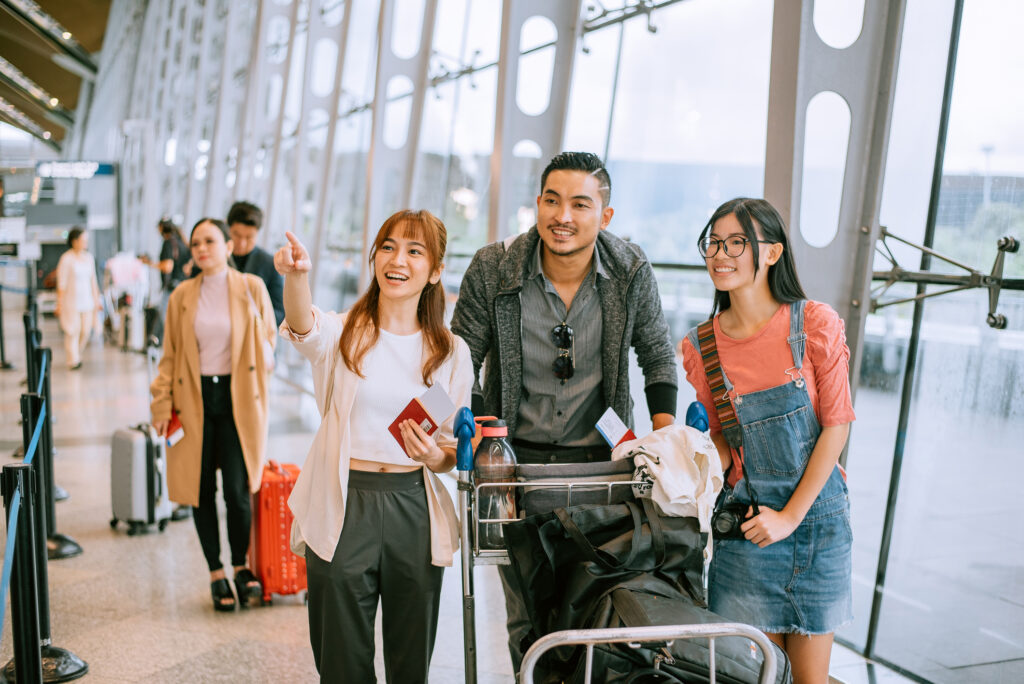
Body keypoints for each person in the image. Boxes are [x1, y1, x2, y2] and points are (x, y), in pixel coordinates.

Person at [450, 151, 678, 670]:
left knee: (593, 608)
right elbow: (462, 356)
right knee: (527, 613)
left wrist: (665, 441)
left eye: (580, 203)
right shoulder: (495, 267)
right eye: (552, 200)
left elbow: (657, 354)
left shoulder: (630, 270)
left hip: (602, 469)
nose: (563, 216)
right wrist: (484, 432)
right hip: (514, 466)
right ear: (537, 205)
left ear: (606, 215)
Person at [275, 209, 471, 683]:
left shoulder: (449, 353)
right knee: (340, 657)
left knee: (410, 658)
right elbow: (303, 327)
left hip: (412, 508)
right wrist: (297, 278)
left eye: (414, 250)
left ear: (436, 270)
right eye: (387, 246)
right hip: (344, 503)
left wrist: (433, 456)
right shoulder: (345, 333)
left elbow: (448, 450)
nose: (397, 259)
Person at [680, 198, 854, 684]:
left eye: (737, 242)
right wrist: (682, 456)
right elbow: (722, 439)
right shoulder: (701, 346)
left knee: (808, 680)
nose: (721, 253)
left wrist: (791, 516)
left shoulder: (814, 325)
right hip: (748, 533)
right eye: (714, 242)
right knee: (753, 676)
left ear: (772, 252)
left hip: (817, 525)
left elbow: (836, 425)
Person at [150, 218, 276, 612]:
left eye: (210, 241)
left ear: (226, 245)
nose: (202, 248)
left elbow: (269, 340)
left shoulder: (250, 287)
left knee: (238, 493)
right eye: (196, 243)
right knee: (199, 492)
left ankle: (241, 565)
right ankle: (216, 573)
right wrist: (160, 404)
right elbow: (169, 357)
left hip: (238, 399)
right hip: (193, 402)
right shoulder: (182, 296)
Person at [189, 201, 284, 327]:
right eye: (237, 235)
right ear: (227, 229)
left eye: (249, 237)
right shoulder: (210, 255)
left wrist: (250, 315)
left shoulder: (269, 264)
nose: (242, 243)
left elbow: (279, 313)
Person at [55, 226, 102, 370]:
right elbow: (61, 283)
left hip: (87, 302)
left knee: (85, 331)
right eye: (83, 240)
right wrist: (59, 304)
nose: (85, 243)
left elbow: (93, 281)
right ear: (74, 241)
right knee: (72, 331)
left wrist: (97, 300)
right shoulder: (66, 259)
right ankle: (73, 360)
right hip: (71, 302)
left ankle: (76, 354)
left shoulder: (89, 258)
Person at [139, 218, 190, 343]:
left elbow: (167, 267)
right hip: (184, 284)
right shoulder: (181, 241)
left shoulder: (168, 242)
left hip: (173, 286)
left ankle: (168, 342)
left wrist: (149, 263)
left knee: (165, 316)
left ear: (162, 228)